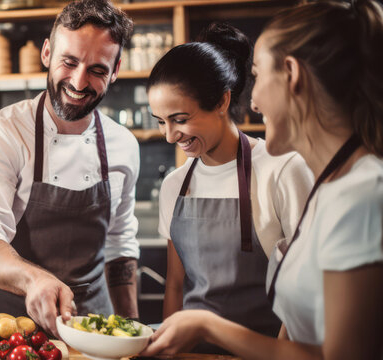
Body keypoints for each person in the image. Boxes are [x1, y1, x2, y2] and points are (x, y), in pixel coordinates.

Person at [140, 1, 383, 358]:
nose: (251, 101)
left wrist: (209, 326)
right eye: (161, 121)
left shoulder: (356, 194)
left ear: (291, 74)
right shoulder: (334, 187)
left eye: (257, 75)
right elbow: (298, 322)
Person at [0, 0, 140, 336]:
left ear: (115, 71)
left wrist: (131, 330)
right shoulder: (3, 133)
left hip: (95, 328)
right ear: (47, 53)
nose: (78, 81)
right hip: (12, 327)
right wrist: (34, 279)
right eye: (69, 61)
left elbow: (120, 244)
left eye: (98, 70)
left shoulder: (123, 144)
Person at [146, 23, 313, 352]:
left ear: (222, 102)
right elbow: (176, 287)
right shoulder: (175, 186)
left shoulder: (282, 170)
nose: (169, 136)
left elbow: (306, 292)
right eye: (160, 121)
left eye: (180, 119)